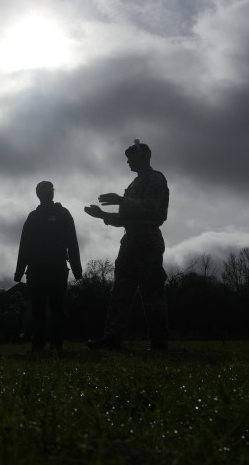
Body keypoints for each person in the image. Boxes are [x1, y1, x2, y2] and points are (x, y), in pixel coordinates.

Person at [84, 140, 170, 351]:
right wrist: (102, 215)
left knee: (152, 292)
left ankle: (159, 343)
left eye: (131, 158)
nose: (128, 162)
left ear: (143, 156)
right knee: (121, 291)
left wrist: (122, 200)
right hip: (130, 240)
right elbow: (125, 219)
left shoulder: (155, 179)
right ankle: (112, 338)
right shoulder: (133, 185)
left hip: (148, 239)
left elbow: (150, 208)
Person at [14, 181, 82, 353]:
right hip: (38, 269)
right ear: (38, 194)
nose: (45, 193)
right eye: (42, 191)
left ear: (52, 193)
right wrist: (19, 271)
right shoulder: (33, 217)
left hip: (56, 268)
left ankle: (56, 344)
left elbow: (72, 243)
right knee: (39, 308)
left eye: (48, 190)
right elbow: (25, 245)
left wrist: (77, 269)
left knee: (56, 306)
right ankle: (39, 344)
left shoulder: (63, 214)